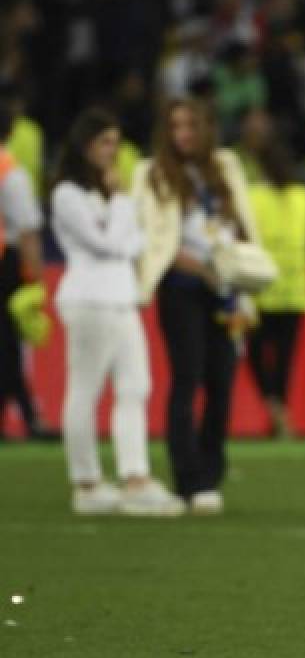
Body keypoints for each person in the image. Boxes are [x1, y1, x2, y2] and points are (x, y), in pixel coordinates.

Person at [51, 108, 184, 517]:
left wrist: (122, 223)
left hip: (121, 298)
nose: (113, 151)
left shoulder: (105, 194)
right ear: (85, 145)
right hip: (90, 299)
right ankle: (86, 482)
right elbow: (108, 244)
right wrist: (124, 211)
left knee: (136, 387)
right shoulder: (67, 193)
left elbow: (131, 243)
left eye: (116, 142)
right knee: (85, 390)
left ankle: (134, 477)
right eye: (105, 142)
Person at [133, 97, 260, 515]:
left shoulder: (225, 166)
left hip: (225, 286)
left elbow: (243, 221)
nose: (183, 135)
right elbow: (152, 240)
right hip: (180, 285)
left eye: (190, 126)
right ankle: (187, 480)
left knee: (222, 379)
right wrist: (200, 268)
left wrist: (235, 262)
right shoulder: (151, 172)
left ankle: (211, 474)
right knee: (187, 377)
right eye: (175, 127)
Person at [246, 141, 305, 437]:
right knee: (284, 357)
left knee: (255, 354)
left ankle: (274, 407)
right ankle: (280, 410)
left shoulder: (254, 196)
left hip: (261, 288)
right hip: (294, 287)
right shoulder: (304, 197)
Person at [0, 99, 53, 440]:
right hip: (6, 262)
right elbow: (28, 228)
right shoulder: (10, 170)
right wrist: (36, 278)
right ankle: (29, 416)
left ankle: (23, 413)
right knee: (7, 343)